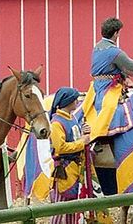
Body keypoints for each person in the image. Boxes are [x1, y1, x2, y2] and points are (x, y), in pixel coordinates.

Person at [82, 17, 133, 140]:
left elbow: (115, 68)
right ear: (115, 33)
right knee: (114, 108)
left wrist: (125, 77)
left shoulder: (97, 47)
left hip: (96, 87)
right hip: (107, 88)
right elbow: (130, 65)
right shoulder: (114, 52)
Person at [48, 87, 91, 224]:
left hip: (75, 169)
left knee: (73, 209)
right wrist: (82, 143)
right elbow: (60, 148)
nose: (77, 101)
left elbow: (73, 137)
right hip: (65, 170)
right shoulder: (56, 123)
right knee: (61, 209)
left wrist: (83, 132)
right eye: (75, 99)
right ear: (68, 101)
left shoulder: (71, 118)